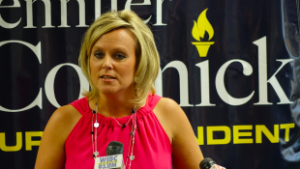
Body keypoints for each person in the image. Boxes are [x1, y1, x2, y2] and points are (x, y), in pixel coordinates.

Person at [35, 10, 203, 169]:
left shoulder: (167, 114)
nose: (106, 64)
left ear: (140, 63)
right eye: (98, 55)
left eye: (119, 56)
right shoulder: (64, 120)